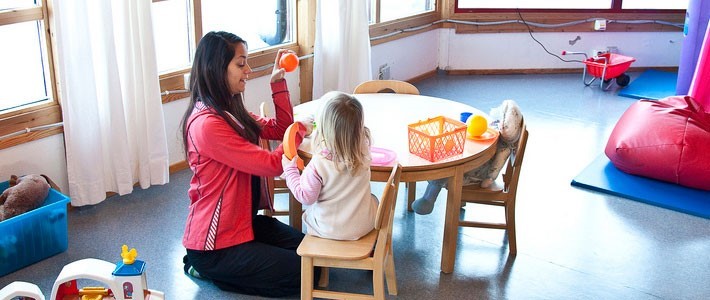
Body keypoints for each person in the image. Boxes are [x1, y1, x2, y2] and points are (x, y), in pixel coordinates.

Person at [179, 31, 309, 297]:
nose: (248, 70)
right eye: (241, 64)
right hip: (214, 247)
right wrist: (300, 131)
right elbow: (274, 163)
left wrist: (277, 82)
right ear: (216, 68)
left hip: (242, 225)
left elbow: (280, 128)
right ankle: (205, 270)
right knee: (306, 272)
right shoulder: (208, 125)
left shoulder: (228, 111)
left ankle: (220, 270)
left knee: (313, 252)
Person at [281, 91, 379, 240]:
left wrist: (290, 171)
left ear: (323, 130)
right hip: (364, 226)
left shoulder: (318, 163)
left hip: (328, 229)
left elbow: (305, 197)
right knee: (373, 199)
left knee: (310, 212)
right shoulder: (364, 150)